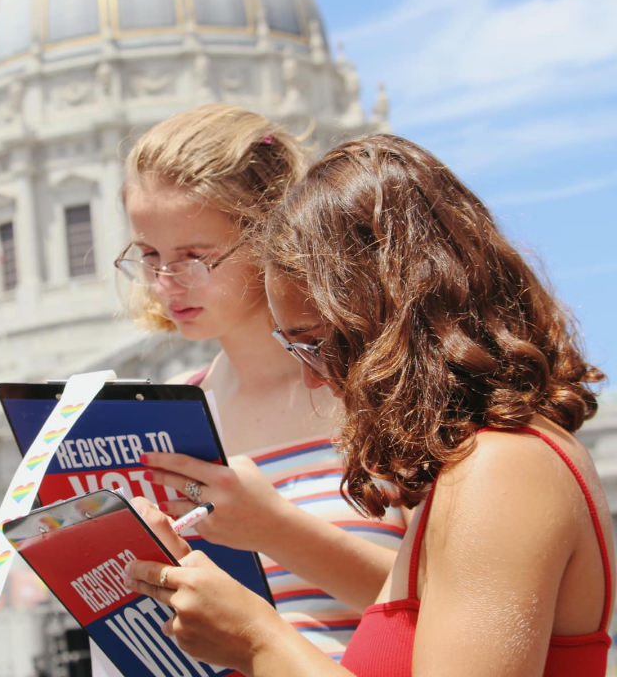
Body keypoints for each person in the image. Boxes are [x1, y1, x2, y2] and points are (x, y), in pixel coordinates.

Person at [124, 134, 614, 676]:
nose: (311, 379)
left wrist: (256, 640)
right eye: (293, 347)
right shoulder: (476, 465)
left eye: (316, 341)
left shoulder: (504, 467)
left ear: (395, 313)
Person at [110, 104, 407, 666]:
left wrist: (275, 530)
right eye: (149, 255)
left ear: (274, 236)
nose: (165, 282)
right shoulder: (172, 409)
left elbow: (447, 606)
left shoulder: (380, 386)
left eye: (195, 256)